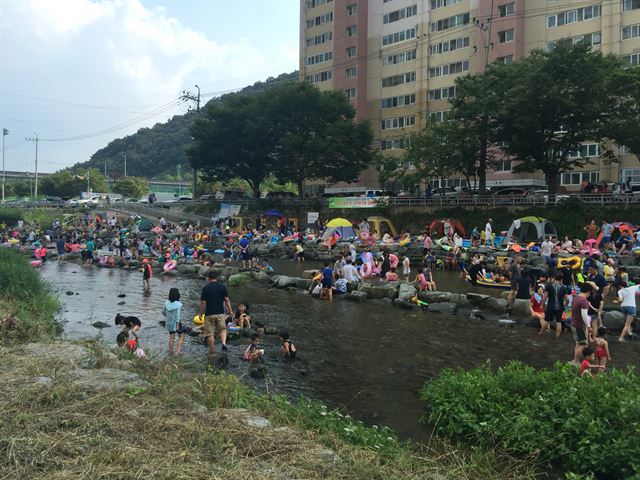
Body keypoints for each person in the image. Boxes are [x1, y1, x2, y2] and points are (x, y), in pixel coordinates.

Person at [199, 270, 232, 354]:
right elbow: (227, 300)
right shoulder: (222, 287)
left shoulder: (205, 288)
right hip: (220, 313)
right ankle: (224, 344)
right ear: (216, 278)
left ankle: (213, 350)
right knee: (222, 330)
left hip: (209, 314)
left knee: (210, 333)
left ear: (208, 278)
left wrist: (200, 314)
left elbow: (203, 303)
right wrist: (230, 311)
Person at [571, 282, 593, 365]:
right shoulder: (584, 301)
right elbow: (584, 315)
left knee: (578, 343)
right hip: (579, 325)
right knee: (583, 344)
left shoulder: (576, 298)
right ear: (588, 292)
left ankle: (575, 360)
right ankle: (575, 362)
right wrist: (588, 326)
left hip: (574, 323)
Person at [162, 287, 184, 356]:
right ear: (177, 295)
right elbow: (178, 316)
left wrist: (168, 317)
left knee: (171, 337)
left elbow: (163, 312)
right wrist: (177, 324)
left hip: (169, 323)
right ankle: (177, 352)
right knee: (181, 336)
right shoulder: (178, 304)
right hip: (176, 323)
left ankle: (170, 352)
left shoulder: (166, 303)